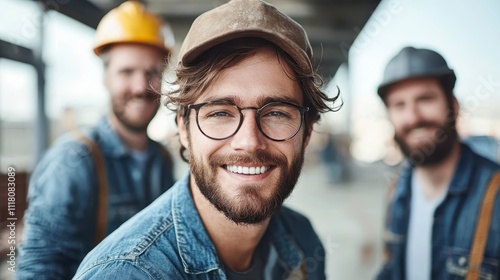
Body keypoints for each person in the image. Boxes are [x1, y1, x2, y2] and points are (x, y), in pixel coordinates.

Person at [73, 0, 341, 279]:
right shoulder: (126, 272)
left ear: (308, 131)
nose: (249, 141)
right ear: (184, 130)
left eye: (275, 113)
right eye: (220, 113)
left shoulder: (302, 241)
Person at [18, 2, 176, 279]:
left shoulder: (161, 159)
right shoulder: (72, 162)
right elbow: (38, 269)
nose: (140, 86)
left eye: (152, 72)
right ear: (105, 77)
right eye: (127, 72)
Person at [376, 46, 500, 280]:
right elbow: (392, 269)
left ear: (453, 106)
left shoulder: (496, 194)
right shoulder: (397, 189)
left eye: (425, 99)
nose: (413, 117)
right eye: (399, 105)